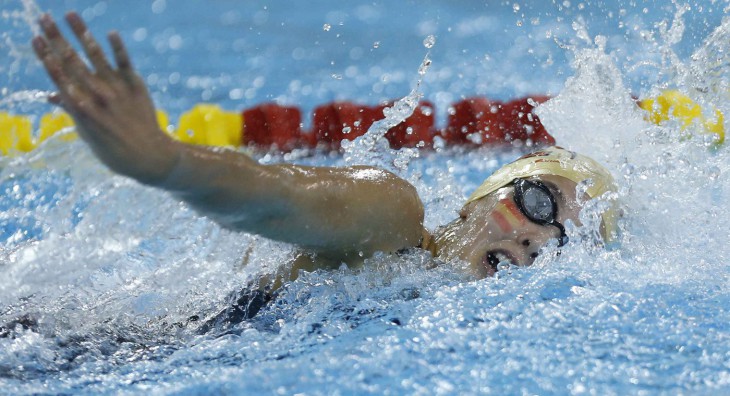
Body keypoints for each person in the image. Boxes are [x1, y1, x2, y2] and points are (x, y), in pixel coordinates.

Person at [30, 13, 618, 326]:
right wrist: (166, 163)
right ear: (481, 196)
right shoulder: (391, 219)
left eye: (565, 241)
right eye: (539, 202)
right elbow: (275, 195)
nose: (537, 237)